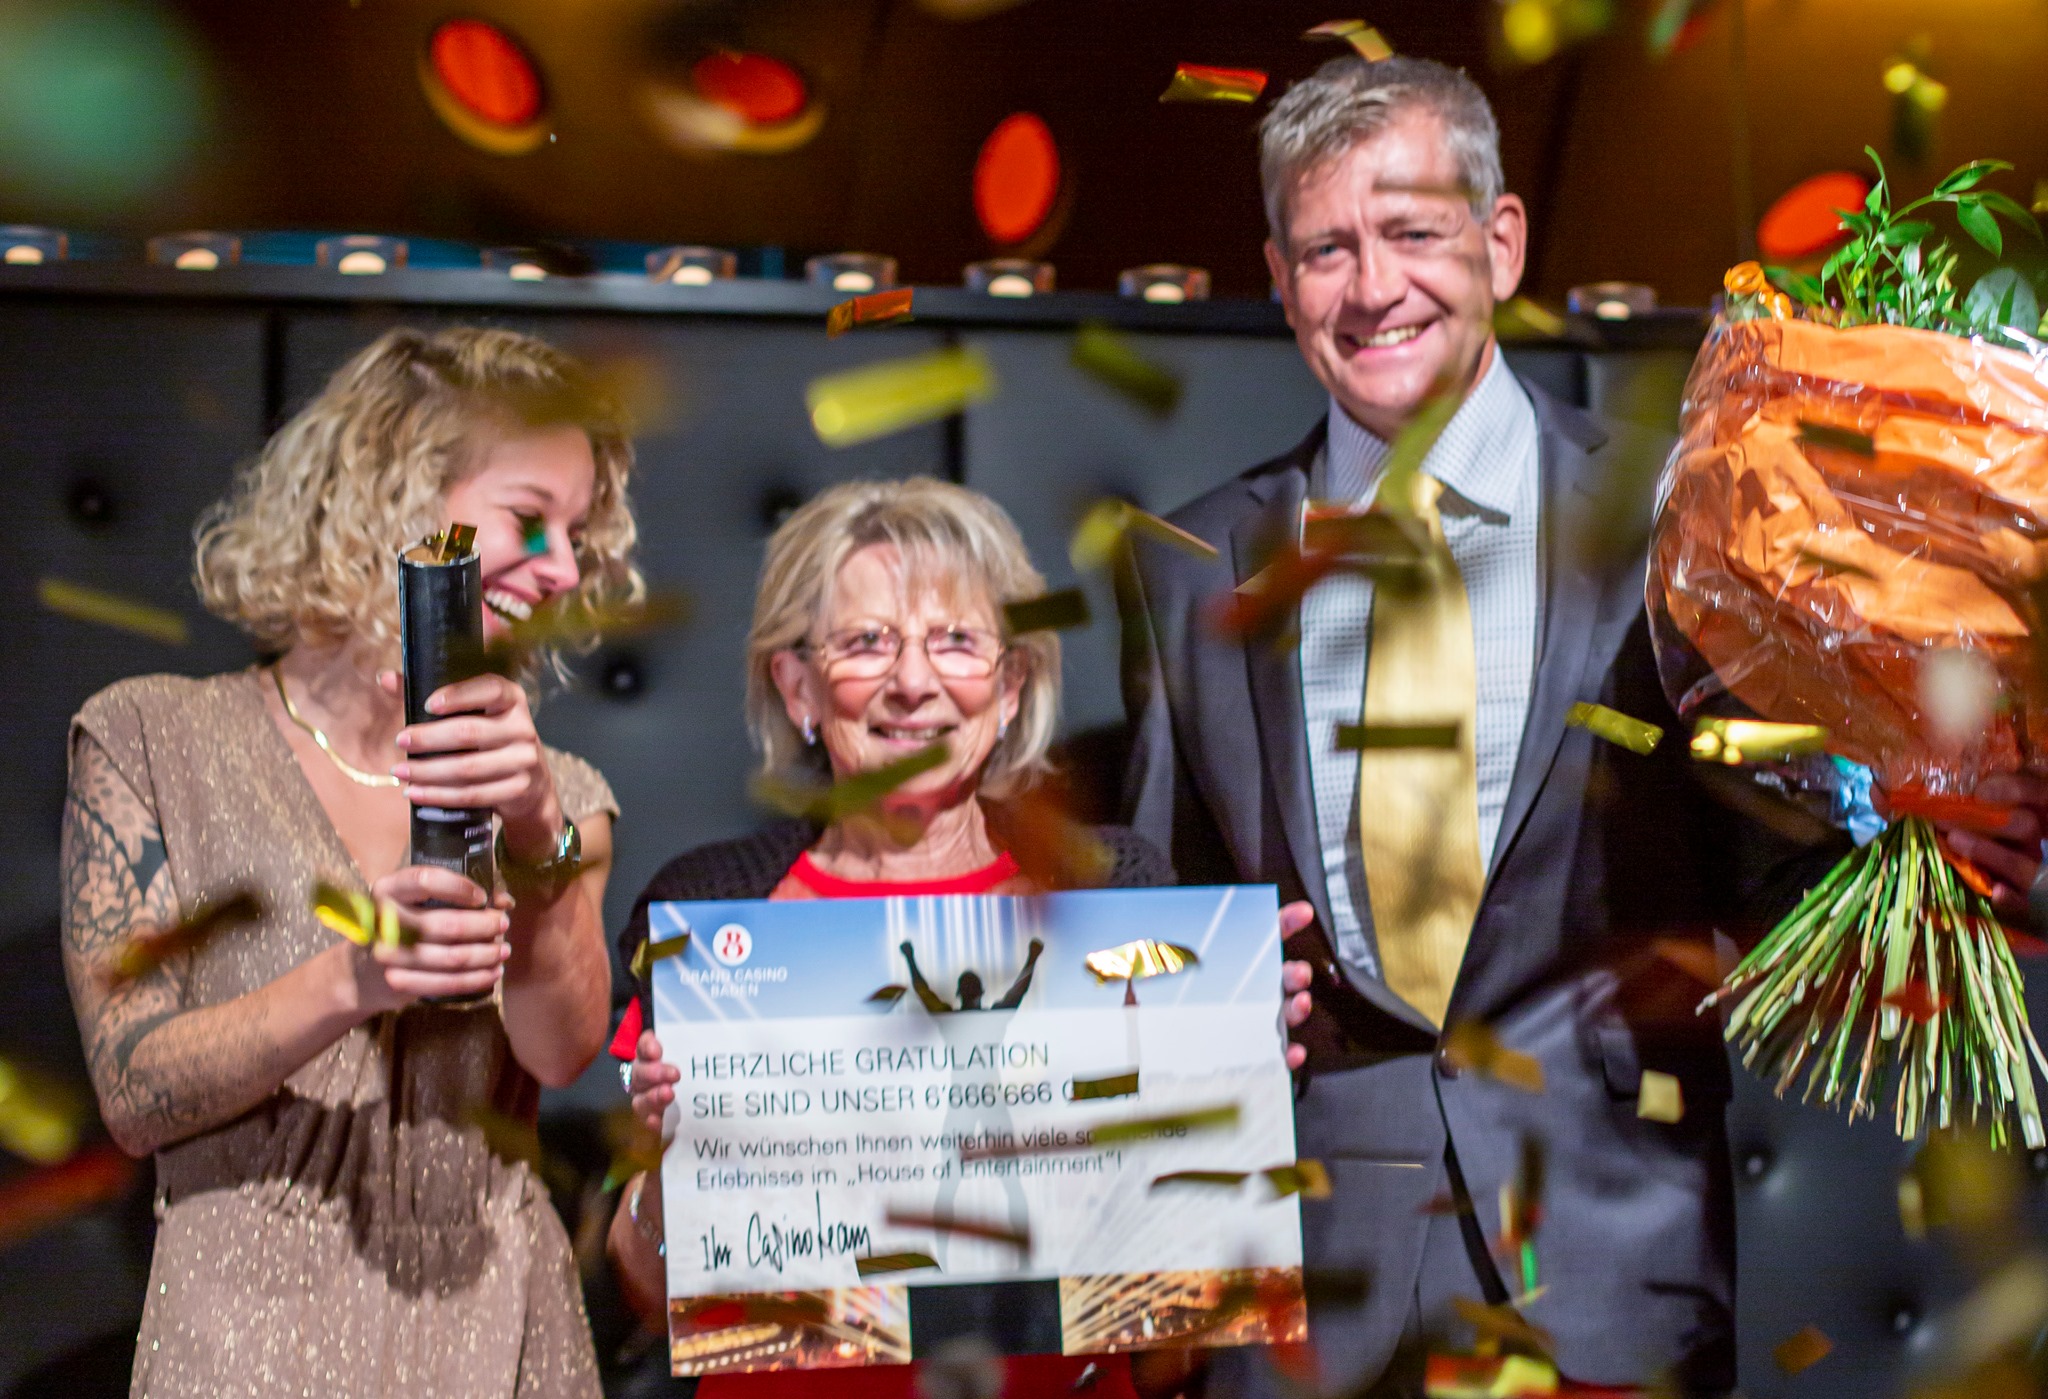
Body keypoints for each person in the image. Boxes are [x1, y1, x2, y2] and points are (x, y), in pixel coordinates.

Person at [1118, 55, 1822, 1396]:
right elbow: (1157, 918)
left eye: (1412, 232)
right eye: (1325, 249)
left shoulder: (1681, 513)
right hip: (1299, 1285)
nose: (1371, 286)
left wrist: (1948, 813)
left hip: (1605, 1265)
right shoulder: (1188, 565)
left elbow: (1788, 857)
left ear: (1500, 243)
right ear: (1277, 279)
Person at [604, 478, 1315, 1399]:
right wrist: (673, 1166)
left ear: (1011, 686)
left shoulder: (1115, 894)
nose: (913, 682)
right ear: (797, 684)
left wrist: (1233, 1088)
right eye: (867, 641)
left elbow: (1181, 1319)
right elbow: (644, 1290)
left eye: (956, 641)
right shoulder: (710, 917)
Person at [60, 326, 640, 1397]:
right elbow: (135, 1092)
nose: (565, 567)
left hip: (500, 1334)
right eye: (531, 518)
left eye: (576, 532)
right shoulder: (151, 738)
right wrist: (352, 977)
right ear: (392, 495)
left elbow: (563, 1051)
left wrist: (534, 826)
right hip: (246, 1342)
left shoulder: (564, 792)